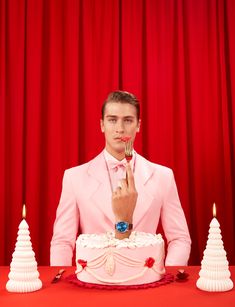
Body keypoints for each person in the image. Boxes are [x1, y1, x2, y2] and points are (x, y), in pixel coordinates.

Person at [50, 91, 191, 266]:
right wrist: (60, 279)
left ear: (138, 125)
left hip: (147, 282)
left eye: (128, 120)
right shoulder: (74, 177)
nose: (120, 129)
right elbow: (62, 242)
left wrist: (166, 275)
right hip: (94, 282)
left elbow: (180, 238)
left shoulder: (163, 176)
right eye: (112, 119)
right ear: (102, 124)